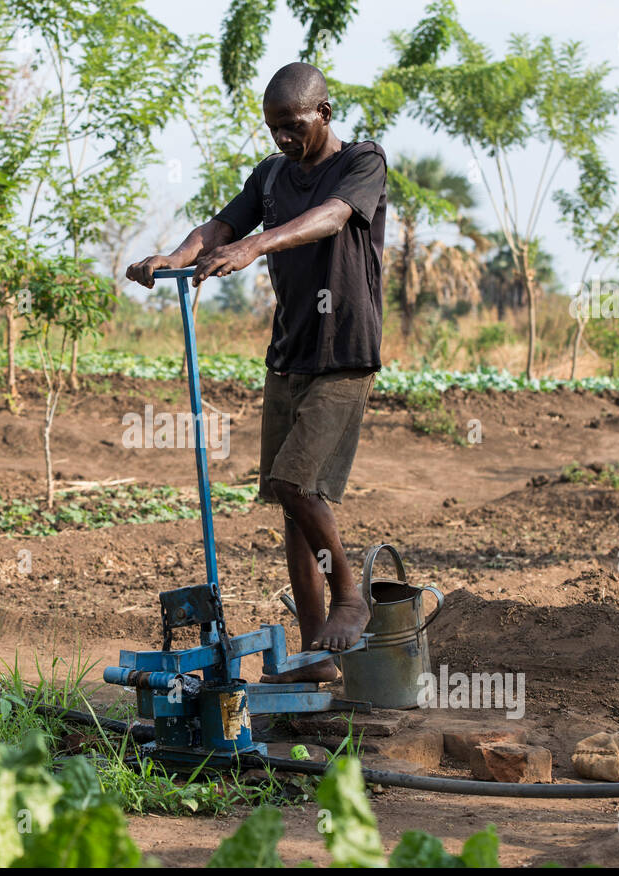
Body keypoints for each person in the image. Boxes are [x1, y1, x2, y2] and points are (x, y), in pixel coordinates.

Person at [126, 61, 387, 683]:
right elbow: (222, 224)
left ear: (323, 112)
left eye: (293, 126)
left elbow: (330, 217)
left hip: (343, 352)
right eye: (273, 129)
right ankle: (316, 658)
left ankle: (352, 596)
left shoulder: (363, 162)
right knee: (290, 505)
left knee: (297, 484)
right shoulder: (271, 175)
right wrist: (176, 256)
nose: (283, 140)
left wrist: (256, 246)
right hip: (289, 354)